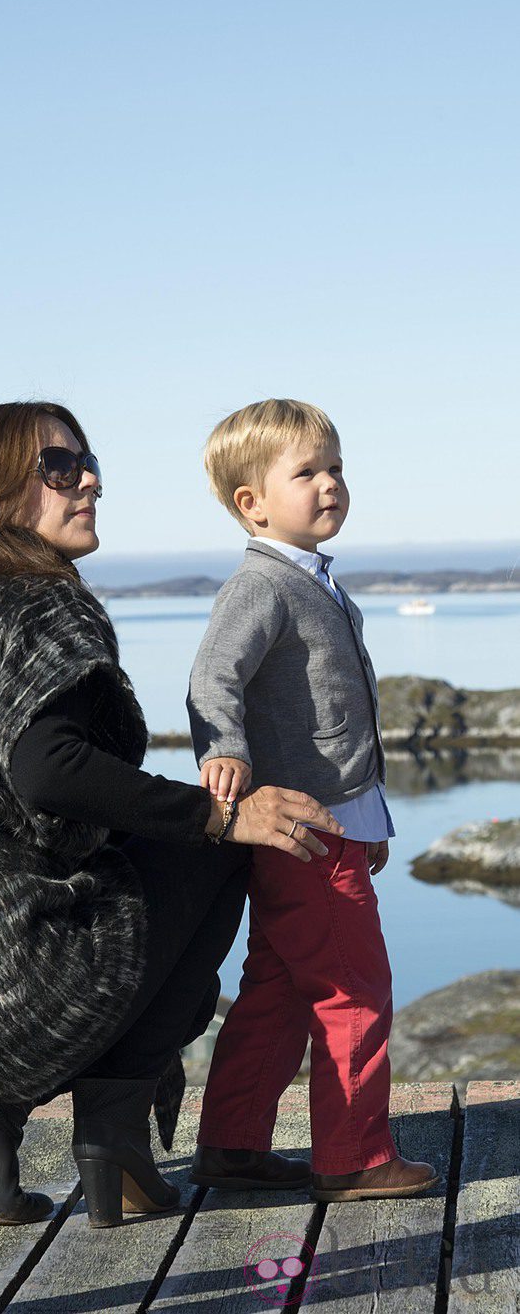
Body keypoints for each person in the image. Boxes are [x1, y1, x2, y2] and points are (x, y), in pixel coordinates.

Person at [0, 401, 344, 1229]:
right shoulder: (42, 604)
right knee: (219, 842)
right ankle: (107, 1131)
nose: (92, 480)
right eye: (60, 468)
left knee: (174, 834)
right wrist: (224, 818)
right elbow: (52, 773)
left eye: (87, 461)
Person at [186, 398, 438, 1202]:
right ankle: (355, 1157)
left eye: (336, 467)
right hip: (302, 831)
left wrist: (370, 822)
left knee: (280, 984)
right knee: (353, 986)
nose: (331, 483)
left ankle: (231, 1142)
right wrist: (222, 748)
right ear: (250, 503)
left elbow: (340, 717)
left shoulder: (315, 579)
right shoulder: (261, 584)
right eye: (308, 472)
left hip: (331, 826)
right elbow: (211, 678)